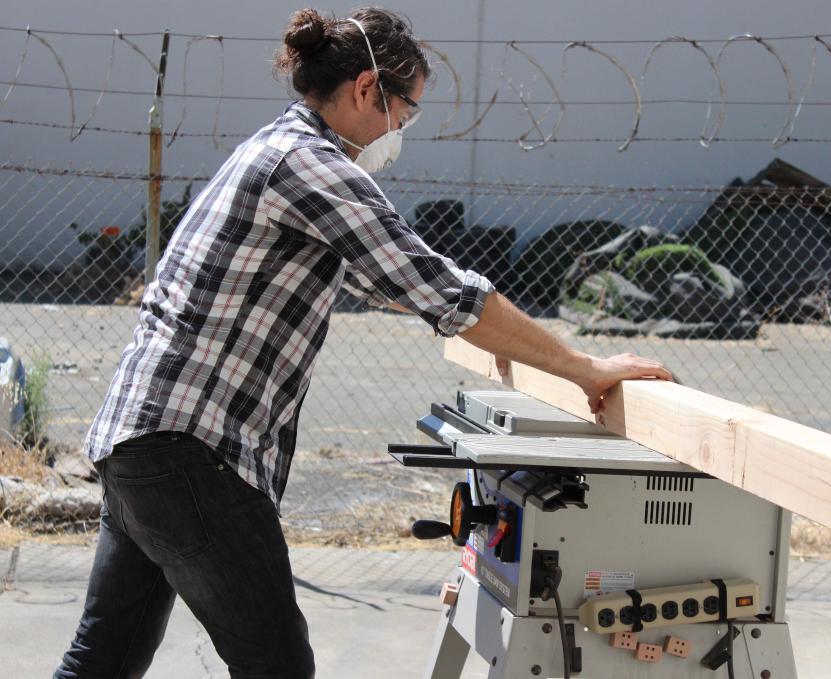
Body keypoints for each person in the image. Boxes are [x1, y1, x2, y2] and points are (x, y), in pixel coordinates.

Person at [54, 7, 674, 678]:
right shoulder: (312, 165)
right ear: (365, 90)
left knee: (102, 661)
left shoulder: (274, 149)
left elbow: (407, 289)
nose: (400, 131)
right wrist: (585, 367)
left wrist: (510, 338)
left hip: (137, 443)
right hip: (190, 453)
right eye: (404, 113)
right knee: (277, 666)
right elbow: (439, 289)